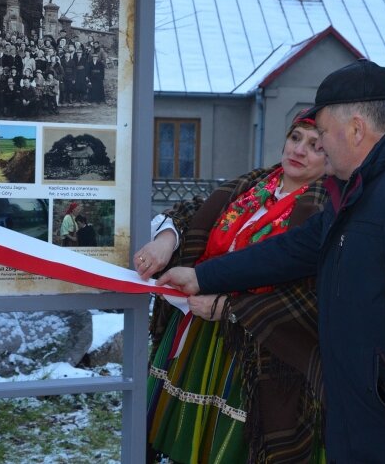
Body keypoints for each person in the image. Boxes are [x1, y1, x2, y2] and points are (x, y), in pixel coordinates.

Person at [156, 60, 385, 464]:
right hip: (374, 418)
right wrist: (202, 275)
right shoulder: (364, 186)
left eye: (323, 133)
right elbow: (295, 249)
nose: (319, 145)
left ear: (357, 128)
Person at [135, 112, 329, 463]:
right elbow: (191, 211)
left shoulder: (322, 209)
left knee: (237, 447)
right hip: (199, 330)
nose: (299, 150)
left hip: (259, 346)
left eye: (315, 146)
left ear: (332, 156)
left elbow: (312, 292)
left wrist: (231, 309)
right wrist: (165, 239)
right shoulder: (253, 184)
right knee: (184, 441)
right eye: (295, 137)